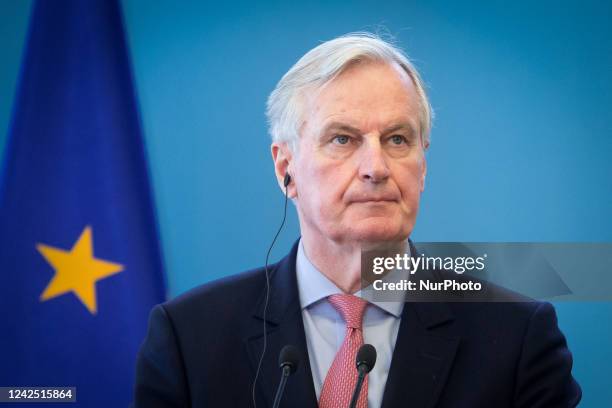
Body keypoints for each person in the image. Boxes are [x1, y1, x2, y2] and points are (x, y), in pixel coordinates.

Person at [132, 33, 581, 407]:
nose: (376, 167)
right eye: (343, 138)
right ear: (284, 169)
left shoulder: (517, 335)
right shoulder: (189, 338)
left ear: (422, 166)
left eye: (398, 139)